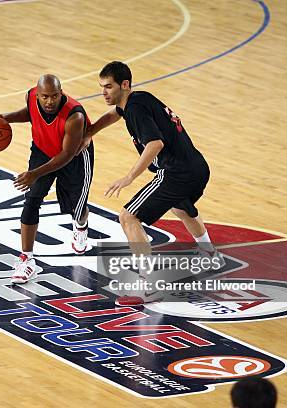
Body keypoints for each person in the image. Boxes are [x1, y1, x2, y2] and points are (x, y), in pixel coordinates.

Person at [85, 61, 223, 306]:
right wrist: (90, 132)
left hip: (176, 172)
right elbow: (115, 114)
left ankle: (147, 287)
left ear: (124, 85)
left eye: (108, 87)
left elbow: (155, 144)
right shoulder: (138, 100)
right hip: (197, 167)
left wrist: (129, 177)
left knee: (129, 217)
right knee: (180, 206)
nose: (103, 92)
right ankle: (210, 254)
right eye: (101, 87)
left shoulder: (136, 109)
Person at [0, 74, 94, 284]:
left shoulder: (75, 116)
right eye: (45, 97)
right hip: (43, 150)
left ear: (61, 93)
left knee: (77, 208)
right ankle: (27, 259)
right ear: (38, 95)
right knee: (32, 200)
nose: (49, 101)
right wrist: (4, 118)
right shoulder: (31, 97)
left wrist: (34, 174)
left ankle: (81, 225)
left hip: (74, 157)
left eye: (54, 96)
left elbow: (66, 155)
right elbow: (30, 113)